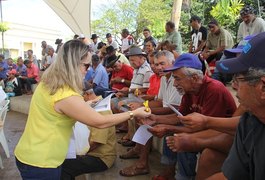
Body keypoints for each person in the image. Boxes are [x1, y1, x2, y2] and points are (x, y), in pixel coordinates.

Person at [14, 40, 151, 180]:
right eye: (86, 65)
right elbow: (100, 122)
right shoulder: (66, 95)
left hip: (29, 153)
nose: (88, 70)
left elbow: (64, 107)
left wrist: (90, 103)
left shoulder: (47, 84)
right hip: (42, 162)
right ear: (74, 64)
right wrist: (134, 113)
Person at [147, 53, 236, 179]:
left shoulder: (214, 89)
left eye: (177, 79)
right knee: (173, 134)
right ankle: (170, 171)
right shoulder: (190, 90)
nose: (174, 84)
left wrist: (168, 128)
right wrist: (155, 119)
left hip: (219, 134)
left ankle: (183, 177)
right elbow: (180, 117)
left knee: (184, 141)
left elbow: (206, 128)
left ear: (194, 78)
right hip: (204, 129)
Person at [202, 31, 265, 180]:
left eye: (238, 78)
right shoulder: (251, 121)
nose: (234, 86)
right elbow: (228, 176)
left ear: (263, 87)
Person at [61, 89, 117, 179]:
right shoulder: (94, 106)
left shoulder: (101, 110)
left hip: (101, 158)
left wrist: (79, 153)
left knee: (65, 166)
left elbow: (97, 142)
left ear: (87, 94)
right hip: (93, 153)